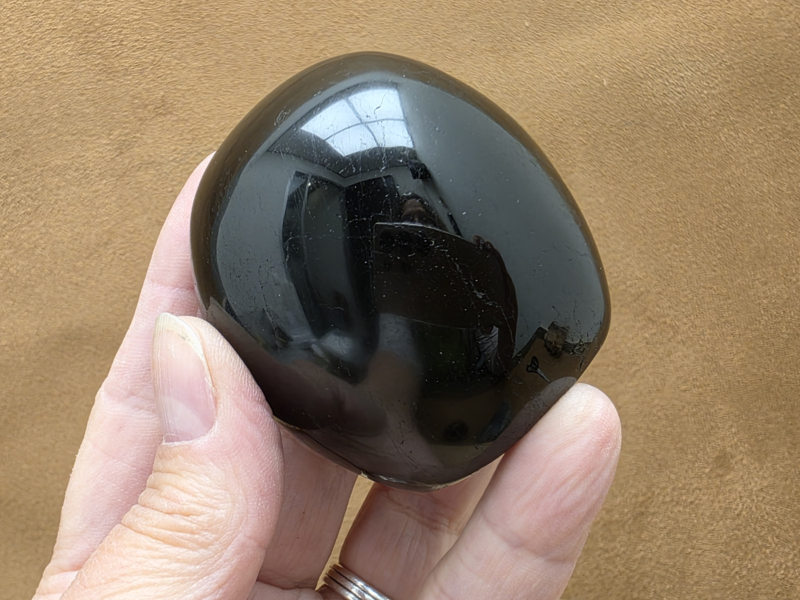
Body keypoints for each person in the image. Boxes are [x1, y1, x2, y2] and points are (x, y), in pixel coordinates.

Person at [32, 156, 621, 600]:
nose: (415, 253)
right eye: (400, 244)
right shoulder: (344, 328)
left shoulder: (476, 286)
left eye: (428, 240)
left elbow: (499, 345)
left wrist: (493, 296)